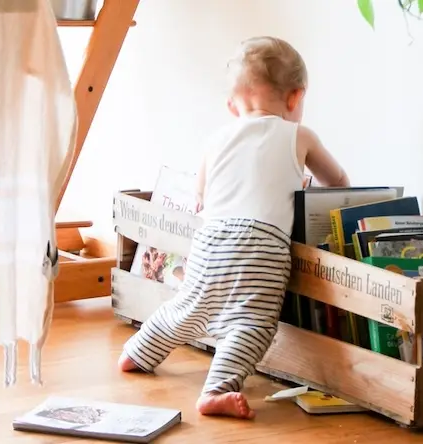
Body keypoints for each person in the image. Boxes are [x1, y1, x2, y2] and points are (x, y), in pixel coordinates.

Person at [118, 36, 350, 419]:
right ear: (295, 98)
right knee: (252, 323)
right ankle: (216, 389)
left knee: (189, 308)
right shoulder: (299, 135)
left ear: (232, 105)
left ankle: (137, 353)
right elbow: (338, 183)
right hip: (263, 245)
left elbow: (201, 196)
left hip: (211, 239)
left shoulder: (216, 139)